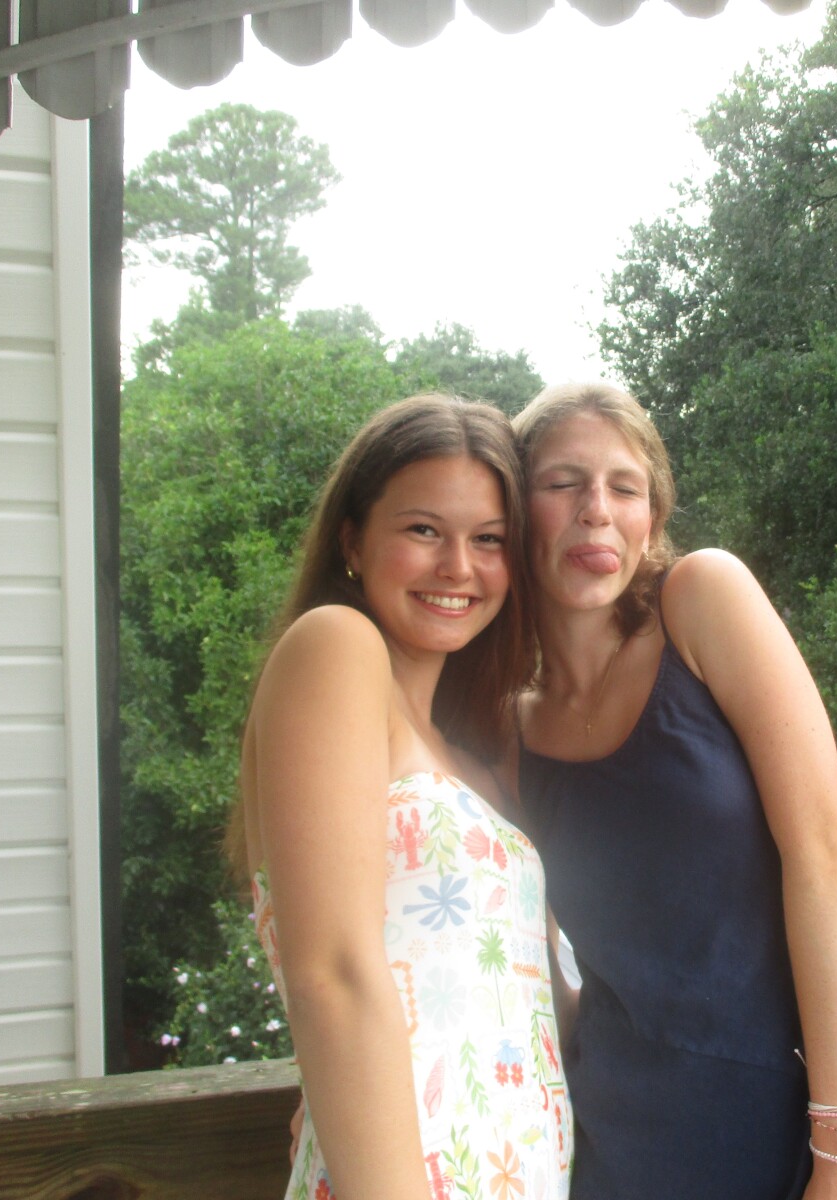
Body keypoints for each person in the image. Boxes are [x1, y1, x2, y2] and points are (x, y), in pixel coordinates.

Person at [507, 382, 837, 1200]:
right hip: (636, 1133)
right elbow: (513, 950)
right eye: (562, 483)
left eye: (625, 487)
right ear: (515, 509)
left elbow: (825, 859)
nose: (597, 510)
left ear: (653, 518)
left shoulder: (702, 600)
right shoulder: (507, 728)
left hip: (822, 1107)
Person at [236, 395, 572, 1200]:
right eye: (424, 530)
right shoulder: (336, 647)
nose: (458, 566)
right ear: (352, 540)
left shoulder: (477, 757)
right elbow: (333, 976)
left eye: (488, 539)